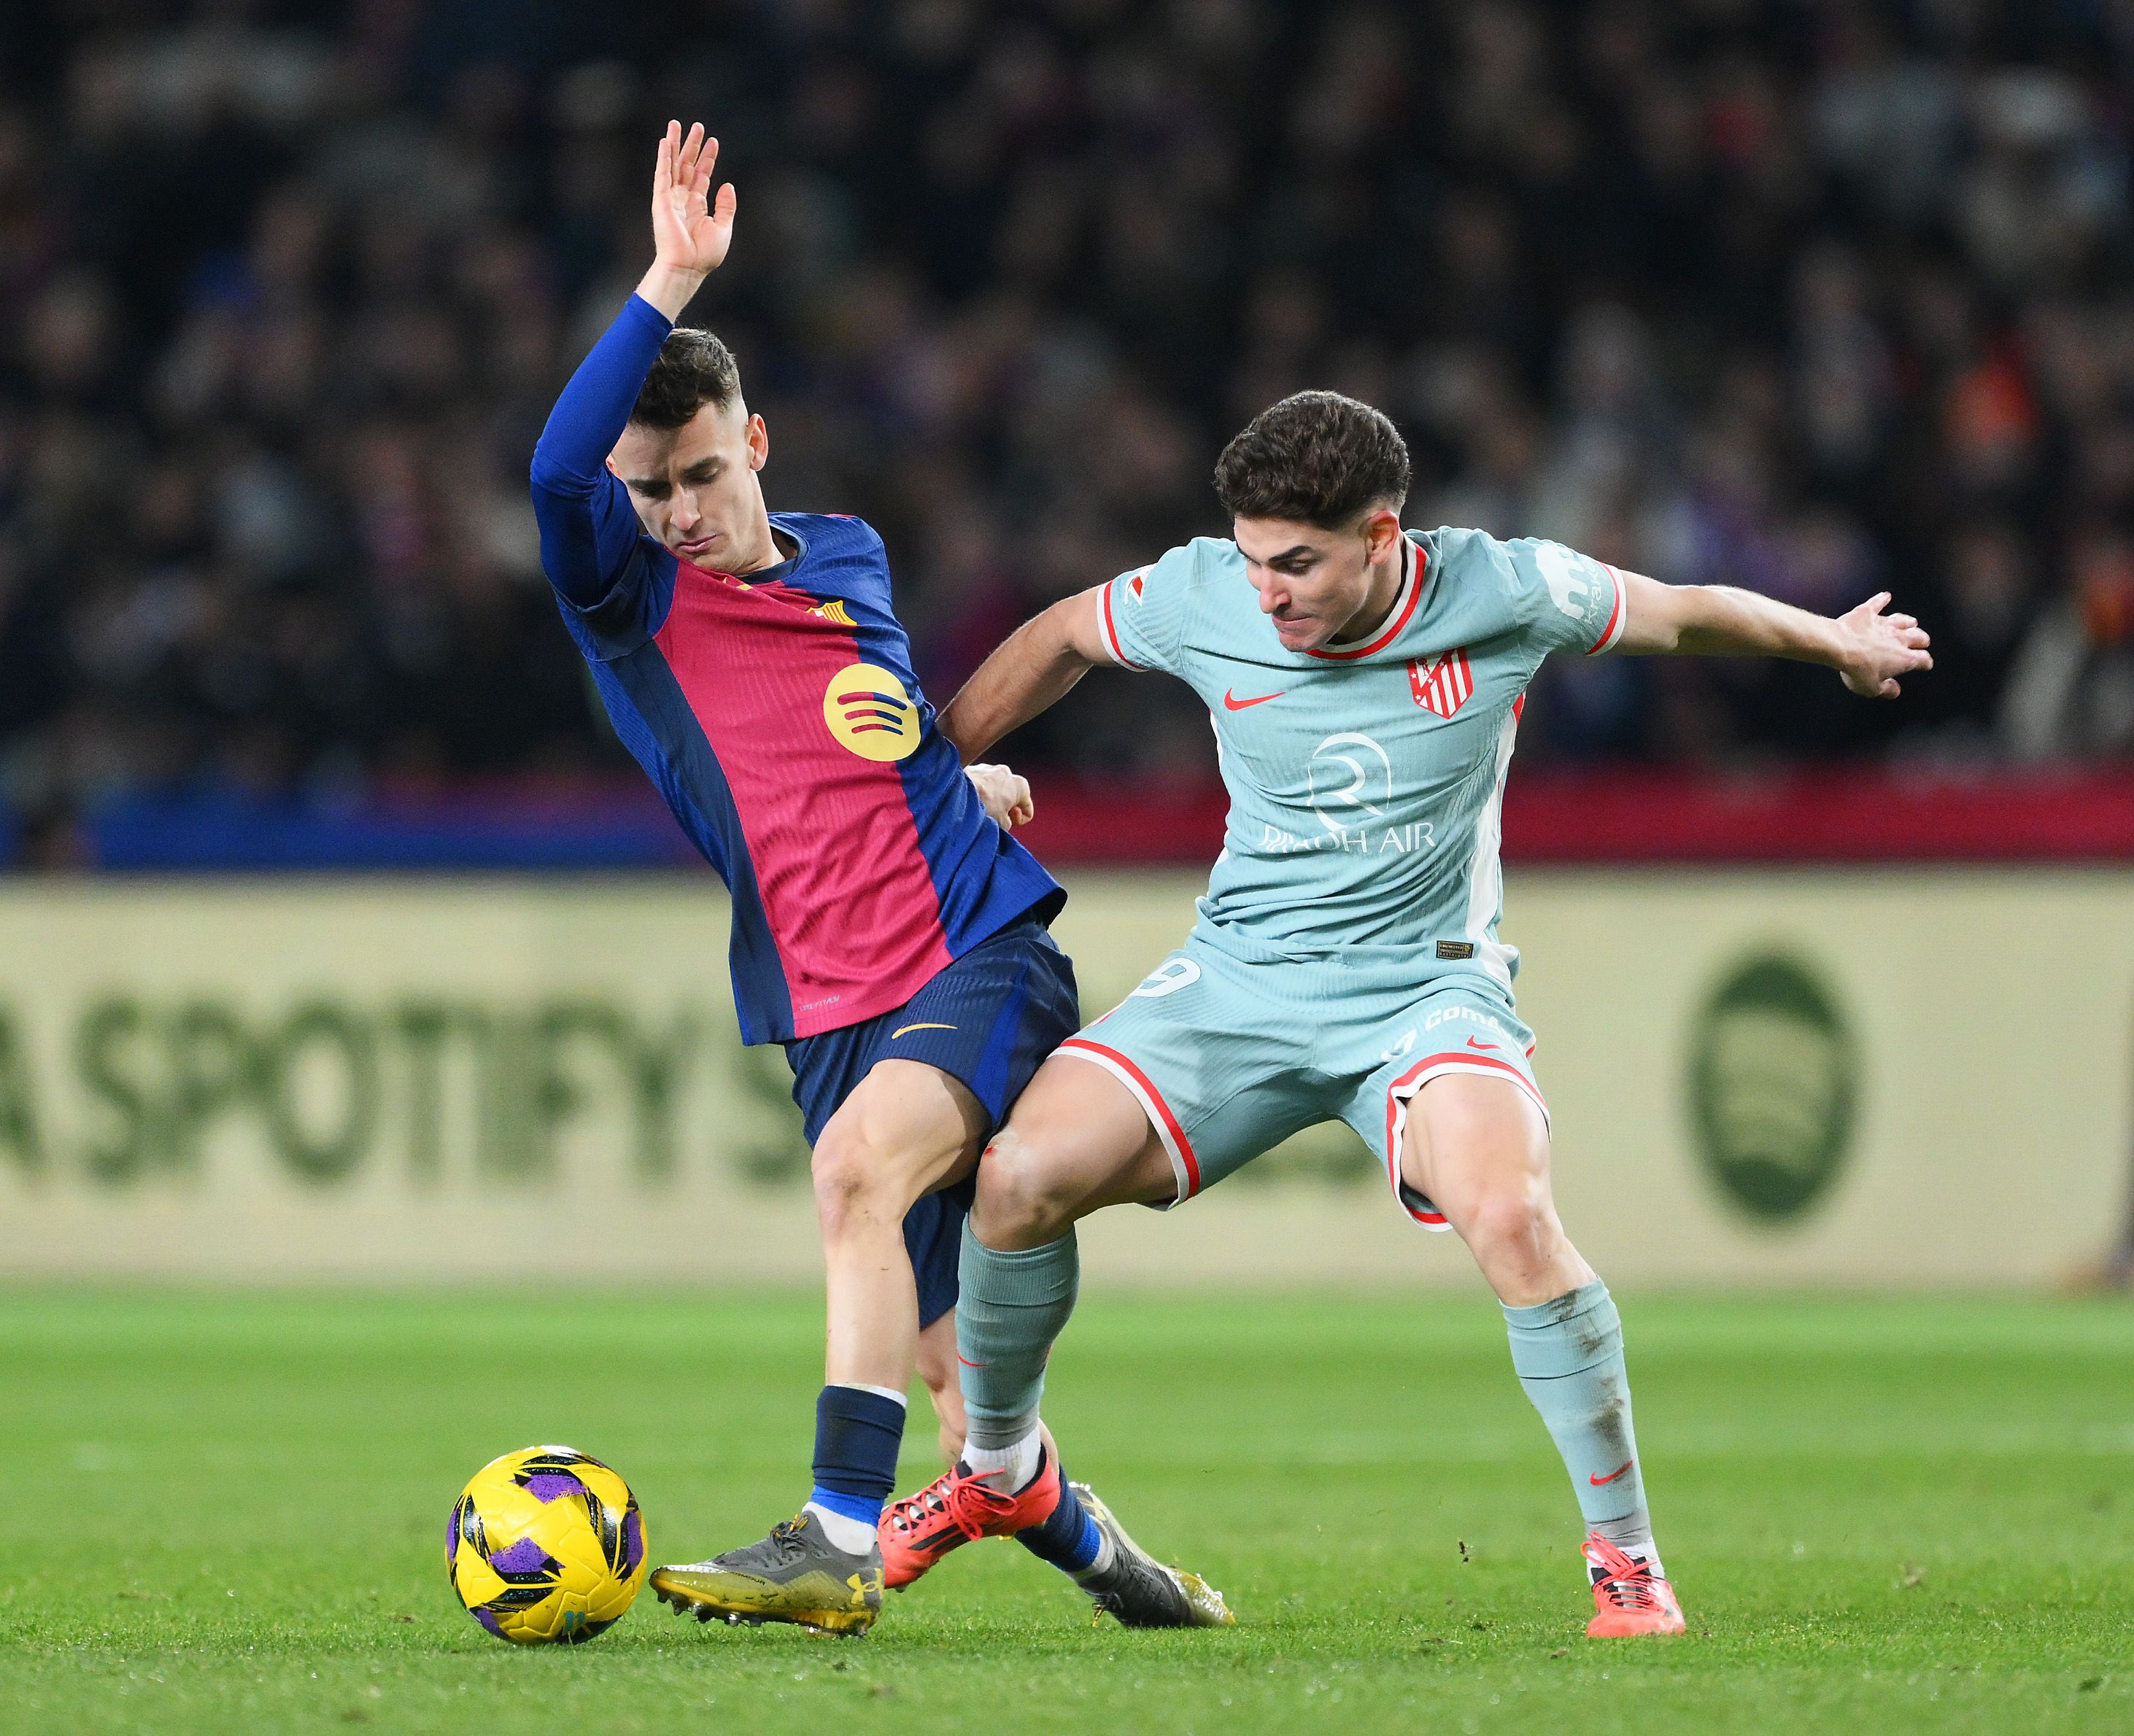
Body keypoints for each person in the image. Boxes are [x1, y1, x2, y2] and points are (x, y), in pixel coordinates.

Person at [877, 389, 1932, 1637]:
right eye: (1255, 558)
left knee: (1509, 1211)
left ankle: (1628, 1564)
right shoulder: (1203, 592)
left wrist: (1831, 641)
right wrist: (936, 772)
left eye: (1300, 563)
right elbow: (1060, 634)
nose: (1266, 591)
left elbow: (1685, 613)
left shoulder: (1506, 588)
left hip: (1424, 990)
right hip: (1239, 980)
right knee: (1013, 1184)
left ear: (1383, 537)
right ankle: (997, 1473)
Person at [528, 123, 1226, 1635]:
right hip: (825, 1003)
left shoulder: (848, 557)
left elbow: (860, 734)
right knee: (959, 1382)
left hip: (968, 946)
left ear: (755, 444)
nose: (678, 513)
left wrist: (943, 785)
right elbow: (548, 466)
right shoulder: (625, 601)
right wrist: (666, 280)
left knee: (852, 1169)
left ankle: (837, 1532)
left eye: (702, 475)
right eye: (649, 490)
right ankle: (1105, 1557)